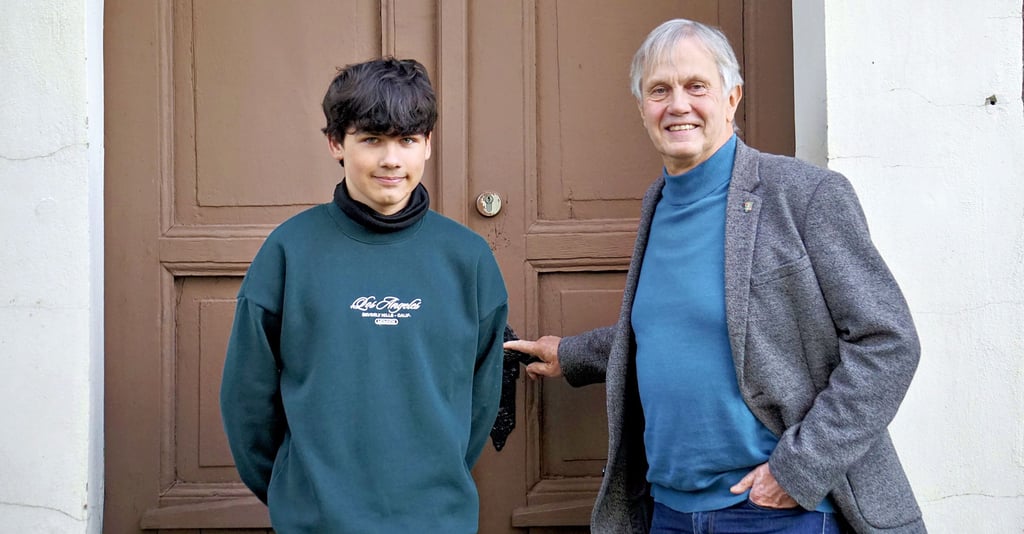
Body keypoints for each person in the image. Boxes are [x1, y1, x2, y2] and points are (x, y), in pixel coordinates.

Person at [505, 19, 924, 534]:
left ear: (732, 98)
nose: (677, 104)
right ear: (642, 108)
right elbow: (674, 330)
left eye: (696, 86)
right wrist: (571, 354)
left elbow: (889, 342)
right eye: (659, 90)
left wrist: (800, 469)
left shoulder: (804, 196)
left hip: (778, 514)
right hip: (669, 512)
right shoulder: (658, 205)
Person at [220, 57, 508, 533]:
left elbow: (480, 402)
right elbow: (247, 399)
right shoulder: (290, 251)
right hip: (315, 519)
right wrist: (297, 492)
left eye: (407, 140)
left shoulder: (468, 259)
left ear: (428, 145)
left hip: (436, 520)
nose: (391, 159)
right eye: (372, 139)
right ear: (336, 143)